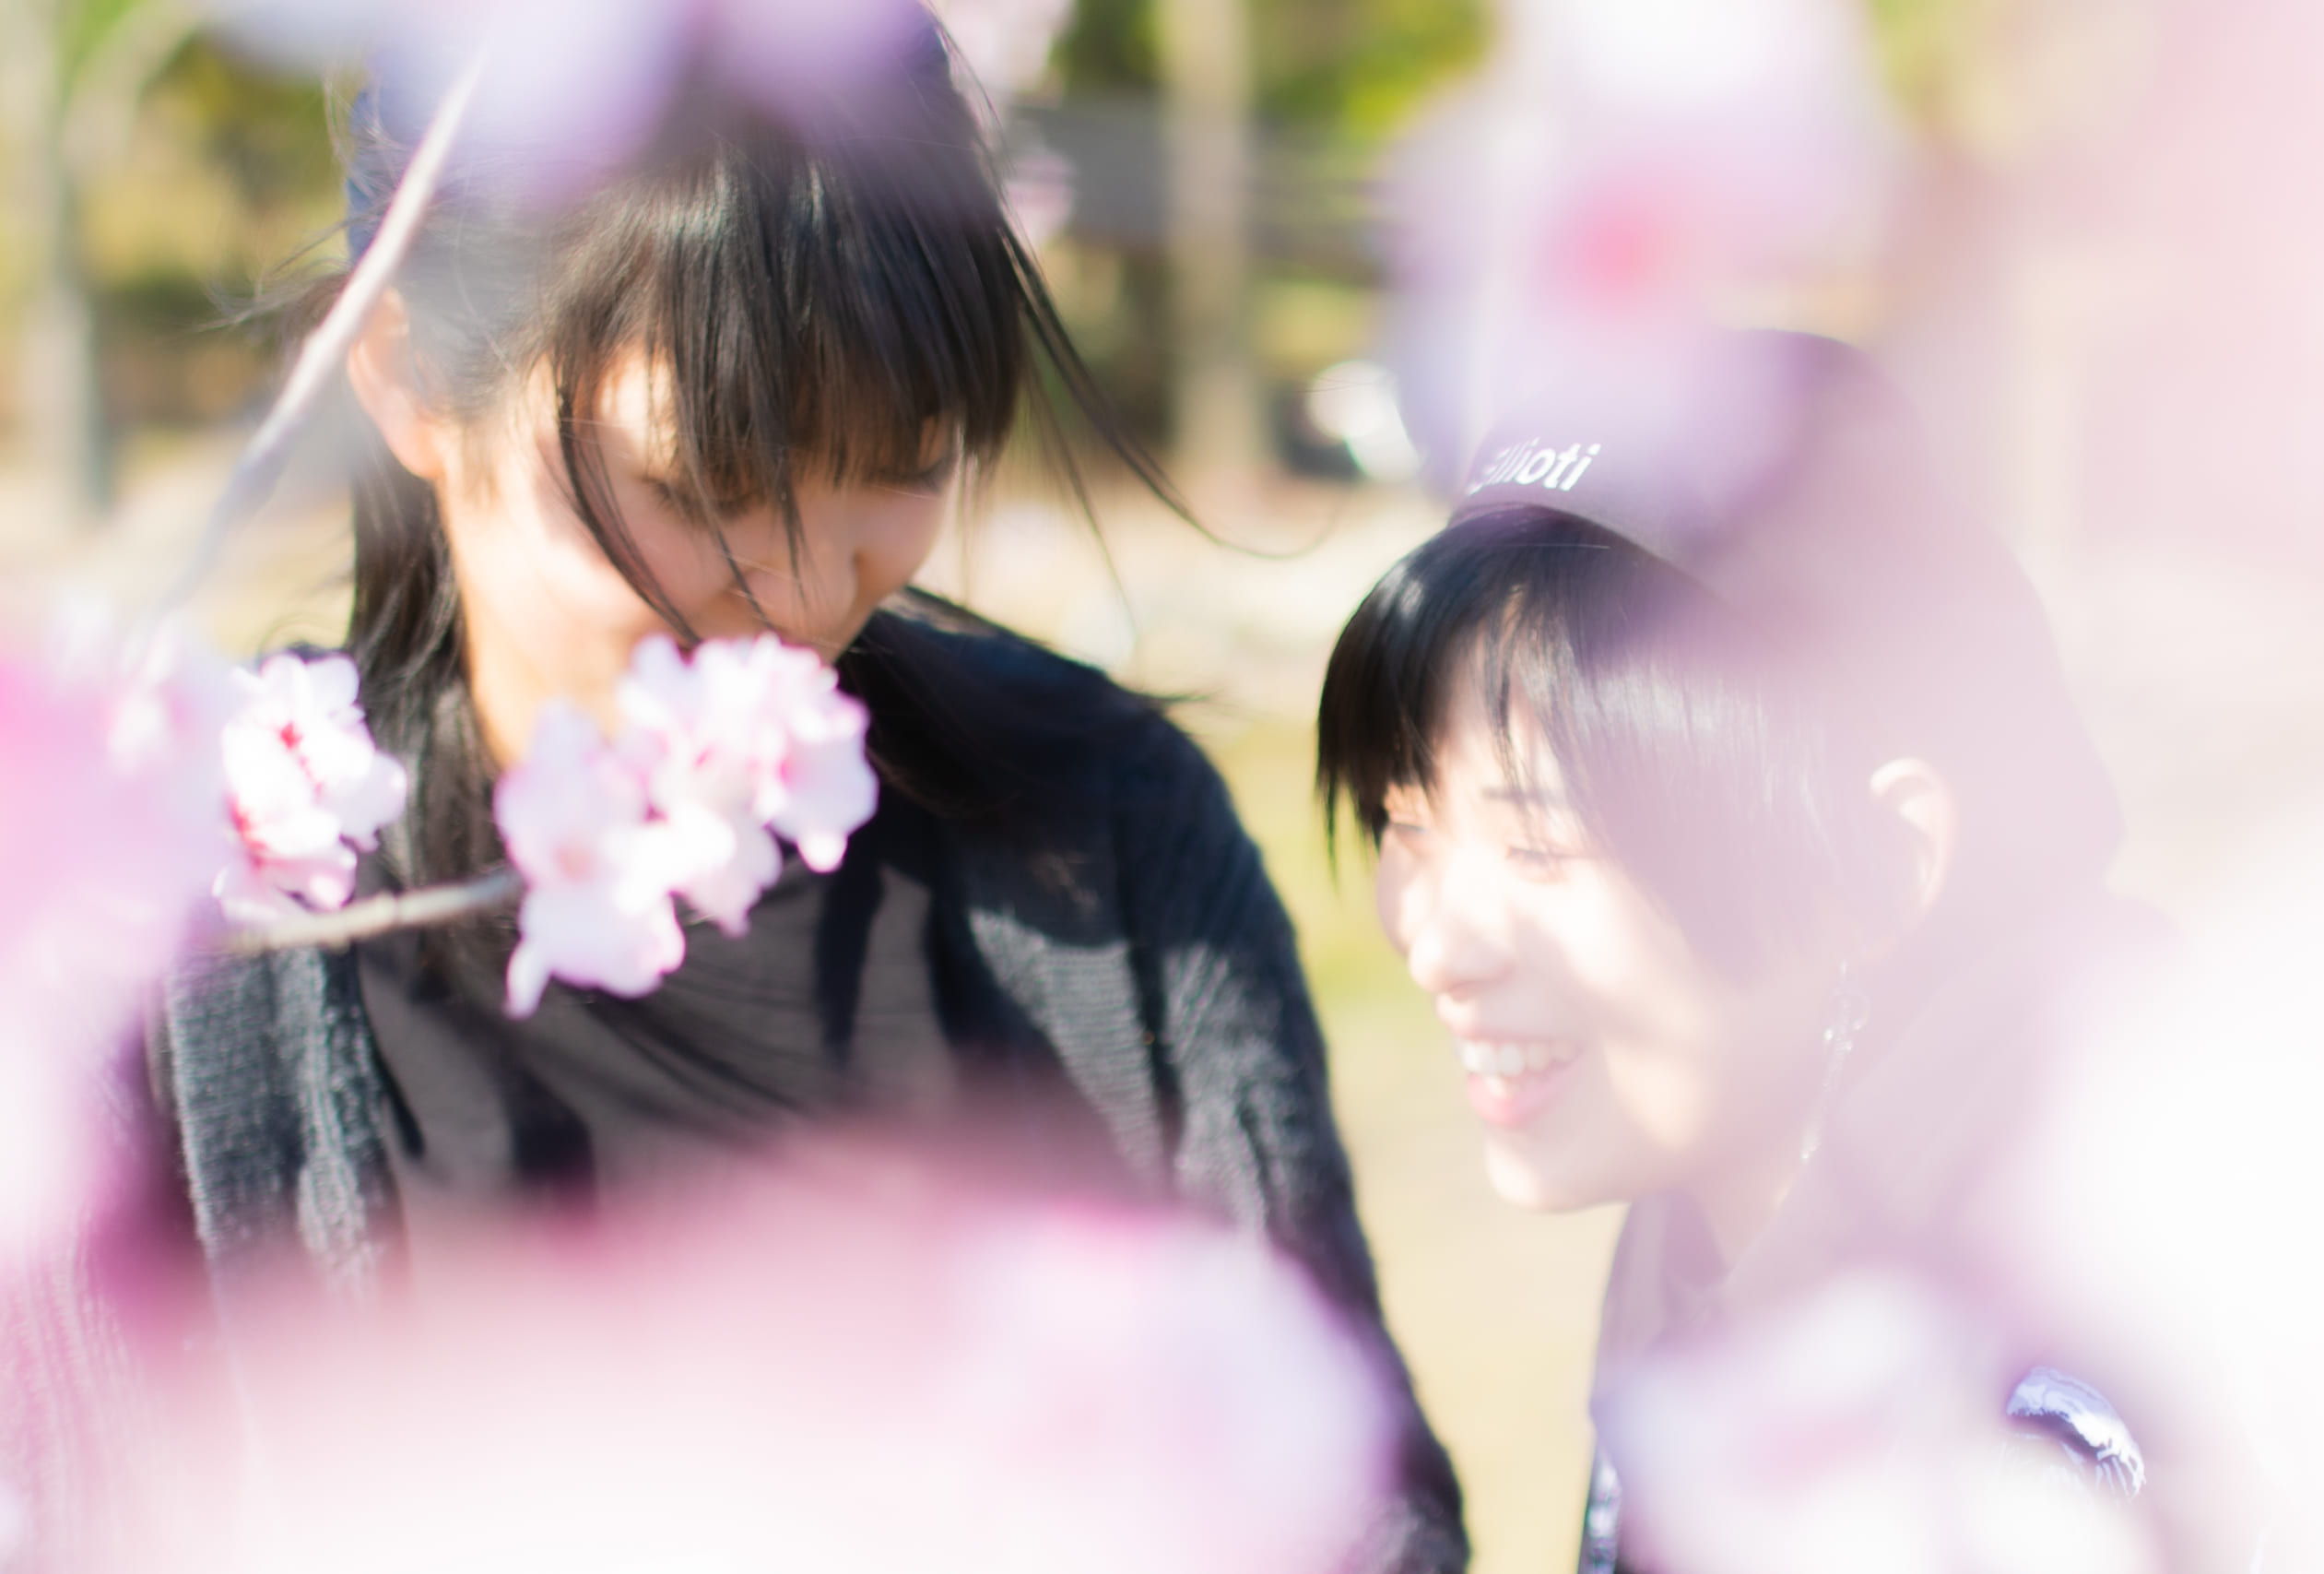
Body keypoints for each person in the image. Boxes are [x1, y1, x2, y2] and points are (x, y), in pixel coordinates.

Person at [139, 16, 1465, 1571]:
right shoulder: (189, 927)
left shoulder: (1103, 841)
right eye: (703, 488)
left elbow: (1355, 1510)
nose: (809, 587)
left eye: (899, 464)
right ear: (412, 382)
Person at [1315, 330, 2219, 1568]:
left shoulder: (2099, 1341)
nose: (1435, 943)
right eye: (1403, 824)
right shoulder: (1711, 1197)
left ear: (1882, 869)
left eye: (1543, 848)